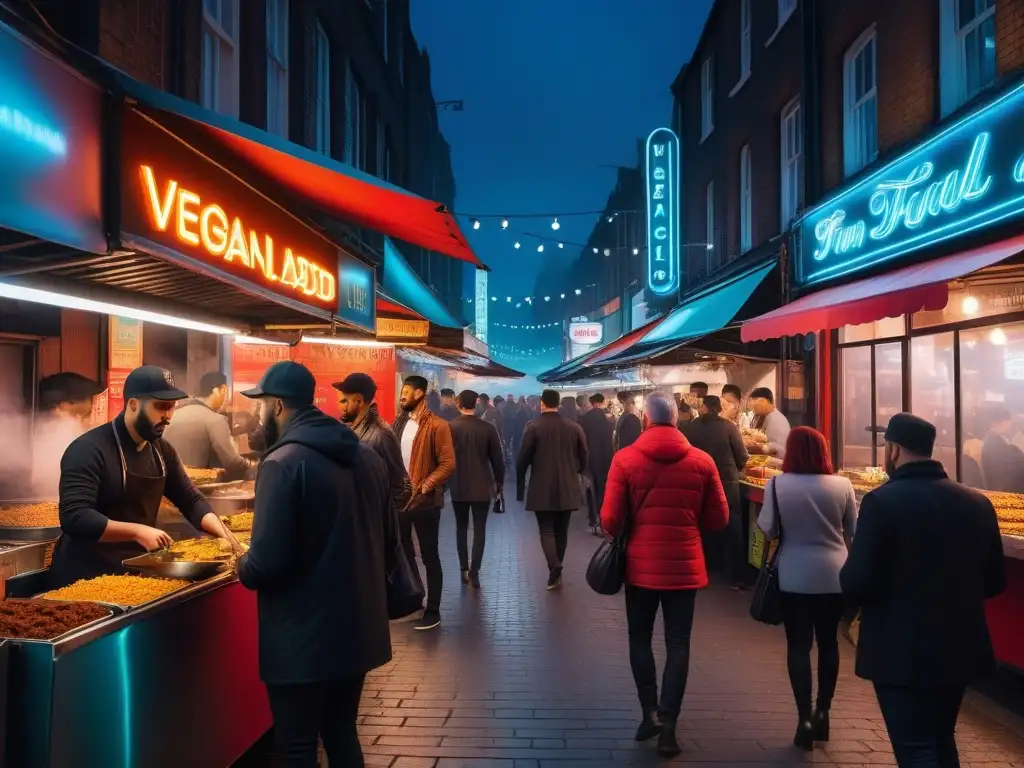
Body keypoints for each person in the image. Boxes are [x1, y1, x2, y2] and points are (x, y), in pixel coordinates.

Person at [236, 361, 395, 767]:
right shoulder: (367, 459)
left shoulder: (281, 464)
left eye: (260, 406)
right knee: (341, 732)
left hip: (299, 638)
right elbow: (389, 541)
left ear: (275, 406)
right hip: (357, 626)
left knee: (296, 745)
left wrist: (242, 563)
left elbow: (265, 565)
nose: (258, 415)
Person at [841, 413, 1006, 767]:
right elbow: (994, 582)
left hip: (899, 652)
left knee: (914, 747)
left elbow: (858, 581)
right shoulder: (977, 503)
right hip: (959, 647)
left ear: (895, 450)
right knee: (941, 739)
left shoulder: (881, 503)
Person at [600, 392, 729, 758]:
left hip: (639, 568)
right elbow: (719, 519)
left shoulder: (624, 460)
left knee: (639, 639)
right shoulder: (703, 462)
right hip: (685, 567)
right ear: (676, 419)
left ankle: (649, 713)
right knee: (678, 643)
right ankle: (669, 725)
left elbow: (610, 520)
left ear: (645, 419)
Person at [53, 365, 241, 588]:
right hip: (86, 577)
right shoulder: (88, 449)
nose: (168, 416)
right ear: (133, 405)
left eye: (172, 407)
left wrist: (228, 537)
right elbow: (75, 518)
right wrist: (137, 531)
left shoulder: (162, 451)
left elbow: (191, 500)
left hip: (134, 573)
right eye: (161, 407)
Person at [757, 427, 857, 750]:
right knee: (829, 644)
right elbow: (852, 530)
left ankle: (804, 720)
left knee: (799, 646)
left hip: (794, 576)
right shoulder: (843, 485)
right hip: (835, 576)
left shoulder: (777, 484)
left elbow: (768, 529)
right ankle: (823, 712)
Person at [392, 375, 456, 630]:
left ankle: (434, 609)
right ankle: (415, 600)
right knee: (405, 554)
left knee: (430, 555)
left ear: (420, 393)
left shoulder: (438, 426)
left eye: (406, 391)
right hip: (399, 501)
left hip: (426, 502)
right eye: (401, 391)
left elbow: (448, 463)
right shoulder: (398, 424)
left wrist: (427, 484)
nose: (402, 396)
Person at [516, 389, 588, 589]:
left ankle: (554, 567)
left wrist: (520, 484)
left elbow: (523, 459)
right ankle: (557, 569)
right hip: (568, 484)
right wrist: (579, 471)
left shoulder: (533, 427)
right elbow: (584, 455)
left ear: (542, 403)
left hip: (541, 485)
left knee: (546, 530)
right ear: (558, 403)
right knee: (561, 530)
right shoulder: (574, 427)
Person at [683, 395, 749, 588]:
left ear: (704, 407)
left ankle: (705, 568)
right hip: (726, 481)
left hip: (699, 480)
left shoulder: (690, 427)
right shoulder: (730, 427)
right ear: (719, 409)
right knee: (732, 525)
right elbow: (742, 458)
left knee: (701, 526)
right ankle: (736, 576)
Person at [448, 389, 505, 588]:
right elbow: (498, 460)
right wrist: (499, 483)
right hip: (482, 486)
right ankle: (475, 572)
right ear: (477, 404)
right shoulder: (488, 429)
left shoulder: (450, 427)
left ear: (459, 404)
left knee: (461, 527)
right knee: (480, 529)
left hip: (458, 485)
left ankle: (463, 567)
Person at [334, 373, 412, 513]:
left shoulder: (382, 434)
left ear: (359, 401)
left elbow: (402, 488)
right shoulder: (348, 430)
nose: (341, 406)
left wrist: (379, 520)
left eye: (345, 401)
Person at [162, 371, 254, 481]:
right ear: (221, 389)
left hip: (167, 487)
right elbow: (232, 462)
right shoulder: (215, 419)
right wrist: (253, 466)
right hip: (197, 490)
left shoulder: (173, 415)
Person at [32, 372, 105, 496]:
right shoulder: (53, 437)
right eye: (88, 398)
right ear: (62, 405)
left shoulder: (70, 432)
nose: (92, 405)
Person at [580, 393, 615, 535]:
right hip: (606, 459)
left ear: (591, 402)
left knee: (590, 490)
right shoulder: (608, 420)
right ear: (603, 402)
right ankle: (603, 520)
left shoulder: (584, 420)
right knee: (603, 489)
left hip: (589, 459)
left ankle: (593, 519)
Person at [981, 407, 1024, 492]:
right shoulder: (994, 442)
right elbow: (1015, 462)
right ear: (1004, 422)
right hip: (1003, 488)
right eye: (1009, 422)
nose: (1011, 426)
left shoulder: (992, 439)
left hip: (1000, 485)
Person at [746, 387, 791, 459]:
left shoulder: (777, 419)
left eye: (755, 405)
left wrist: (761, 447)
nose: (753, 409)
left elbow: (780, 449)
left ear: (763, 401)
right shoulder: (761, 416)